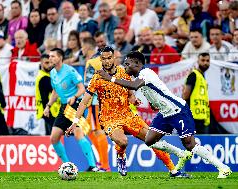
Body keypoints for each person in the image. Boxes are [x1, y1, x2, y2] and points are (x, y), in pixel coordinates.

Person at [96, 51, 232, 178]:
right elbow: (153, 99)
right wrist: (154, 104)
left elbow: (134, 86)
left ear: (136, 63)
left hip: (178, 110)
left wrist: (110, 79)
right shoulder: (141, 77)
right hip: (165, 113)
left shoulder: (146, 72)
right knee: (149, 140)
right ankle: (180, 154)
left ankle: (223, 168)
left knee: (189, 144)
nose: (124, 66)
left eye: (127, 63)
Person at [66, 47, 192, 177]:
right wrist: (75, 122)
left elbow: (130, 94)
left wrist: (133, 100)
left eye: (109, 58)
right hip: (109, 118)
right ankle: (121, 156)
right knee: (123, 142)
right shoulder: (97, 78)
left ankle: (173, 170)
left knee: (152, 141)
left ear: (114, 58)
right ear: (100, 59)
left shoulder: (123, 72)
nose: (107, 61)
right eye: (103, 59)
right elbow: (84, 101)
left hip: (128, 115)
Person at [43, 48, 98, 172]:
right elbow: (55, 91)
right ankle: (67, 166)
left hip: (75, 106)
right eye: (49, 56)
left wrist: (74, 96)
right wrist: (48, 105)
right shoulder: (52, 73)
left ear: (60, 58)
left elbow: (82, 89)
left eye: (53, 56)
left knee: (78, 135)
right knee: (54, 138)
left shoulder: (70, 71)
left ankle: (93, 166)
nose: (50, 58)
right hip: (64, 108)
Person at [82, 38, 110, 172]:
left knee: (97, 130)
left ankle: (104, 165)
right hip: (105, 100)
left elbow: (89, 85)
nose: (82, 50)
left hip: (94, 101)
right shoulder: (107, 61)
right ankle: (101, 163)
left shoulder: (92, 62)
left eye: (83, 47)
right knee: (87, 129)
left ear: (87, 47)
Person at [183, 53, 210, 134]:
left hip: (201, 116)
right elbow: (185, 95)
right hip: (193, 117)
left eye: (207, 61)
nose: (205, 63)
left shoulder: (202, 77)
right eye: (203, 60)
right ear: (198, 61)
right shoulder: (193, 75)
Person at [35, 54, 60, 135]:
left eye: (50, 63)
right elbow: (44, 97)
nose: (49, 65)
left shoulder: (43, 75)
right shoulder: (44, 78)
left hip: (48, 111)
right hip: (50, 112)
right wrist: (47, 110)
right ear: (41, 63)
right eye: (46, 63)